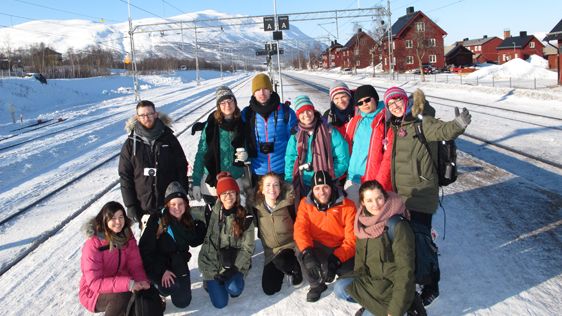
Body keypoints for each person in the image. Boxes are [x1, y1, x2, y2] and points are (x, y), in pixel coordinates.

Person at [384, 87, 471, 306]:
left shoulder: (423, 123)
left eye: (398, 101)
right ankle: (414, 277)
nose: (395, 106)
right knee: (407, 239)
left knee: (422, 241)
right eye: (391, 104)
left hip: (422, 192)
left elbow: (444, 131)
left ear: (407, 101)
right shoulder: (396, 126)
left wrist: (459, 124)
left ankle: (432, 284)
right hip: (402, 194)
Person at [334, 180, 422, 316]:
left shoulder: (397, 225)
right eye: (369, 200)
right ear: (362, 203)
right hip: (374, 282)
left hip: (393, 288)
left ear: (385, 197)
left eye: (379, 198)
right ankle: (371, 306)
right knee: (340, 287)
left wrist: (395, 310)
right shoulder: (362, 222)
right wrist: (361, 290)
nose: (375, 205)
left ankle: (405, 308)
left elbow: (405, 270)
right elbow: (360, 260)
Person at [118, 100, 189, 226]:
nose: (146, 118)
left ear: (156, 114)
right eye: (142, 115)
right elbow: (125, 177)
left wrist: (181, 196)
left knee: (173, 242)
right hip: (144, 207)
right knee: (149, 244)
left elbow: (181, 167)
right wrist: (131, 206)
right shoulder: (130, 144)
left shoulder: (168, 138)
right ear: (137, 117)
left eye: (150, 114)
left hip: (170, 205)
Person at [139, 181, 206, 308]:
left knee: (183, 302)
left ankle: (173, 284)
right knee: (168, 287)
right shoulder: (157, 221)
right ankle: (156, 289)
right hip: (159, 265)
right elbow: (144, 251)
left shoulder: (187, 218)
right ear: (167, 205)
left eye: (180, 203)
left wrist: (202, 225)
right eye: (173, 204)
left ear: (186, 204)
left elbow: (194, 240)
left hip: (178, 262)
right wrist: (162, 271)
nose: (177, 207)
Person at [293, 170, 356, 303]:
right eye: (317, 188)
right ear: (312, 189)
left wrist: (336, 260)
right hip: (318, 246)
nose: (321, 192)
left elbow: (352, 239)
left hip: (341, 248)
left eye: (325, 187)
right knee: (301, 250)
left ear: (331, 187)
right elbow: (300, 230)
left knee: (351, 276)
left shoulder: (348, 205)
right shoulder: (305, 204)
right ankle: (316, 285)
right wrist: (307, 253)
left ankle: (335, 271)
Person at [79, 201, 150, 316]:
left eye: (121, 217)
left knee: (142, 293)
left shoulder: (127, 235)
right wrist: (128, 284)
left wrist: (142, 281)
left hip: (121, 279)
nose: (118, 222)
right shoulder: (93, 244)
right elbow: (94, 282)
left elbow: (135, 264)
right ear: (104, 220)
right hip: (94, 292)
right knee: (122, 295)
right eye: (113, 218)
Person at [198, 172, 255, 309]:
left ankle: (231, 280)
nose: (228, 197)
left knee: (234, 289)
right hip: (212, 262)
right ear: (219, 197)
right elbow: (190, 212)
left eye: (231, 193)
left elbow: (248, 249)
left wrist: (234, 269)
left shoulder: (245, 217)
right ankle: (209, 282)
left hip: (233, 263)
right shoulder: (213, 213)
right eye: (224, 193)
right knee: (220, 304)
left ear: (236, 194)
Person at [285, 95, 349, 205]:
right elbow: (290, 160)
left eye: (308, 110)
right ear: (298, 116)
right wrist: (290, 180)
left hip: (326, 184)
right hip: (304, 183)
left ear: (313, 111)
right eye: (302, 112)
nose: (306, 115)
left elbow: (342, 157)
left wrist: (331, 175)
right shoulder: (295, 136)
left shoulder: (329, 131)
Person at [191, 86, 248, 207]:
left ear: (235, 102)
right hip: (212, 181)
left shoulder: (243, 124)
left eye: (230, 100)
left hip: (235, 178)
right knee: (215, 220)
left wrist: (246, 155)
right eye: (222, 102)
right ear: (218, 106)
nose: (227, 105)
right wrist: (196, 182)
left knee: (235, 220)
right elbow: (201, 154)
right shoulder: (210, 126)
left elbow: (249, 147)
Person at [249, 172, 302, 295]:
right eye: (267, 185)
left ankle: (294, 269)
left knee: (283, 261)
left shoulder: (288, 203)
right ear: (261, 189)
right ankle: (283, 267)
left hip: (289, 247)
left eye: (275, 185)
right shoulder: (256, 208)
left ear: (280, 187)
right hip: (271, 252)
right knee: (270, 288)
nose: (271, 189)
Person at [241, 73, 297, 183]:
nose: (262, 93)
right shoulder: (247, 114)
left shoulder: (286, 112)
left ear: (271, 90)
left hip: (282, 171)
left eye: (265, 89)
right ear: (253, 93)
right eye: (258, 90)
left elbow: (296, 140)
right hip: (258, 172)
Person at [344, 85, 384, 204]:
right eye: (360, 103)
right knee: (352, 215)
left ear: (375, 98)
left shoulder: (384, 119)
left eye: (367, 100)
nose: (364, 104)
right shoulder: (356, 120)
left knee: (372, 216)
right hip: (353, 177)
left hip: (372, 178)